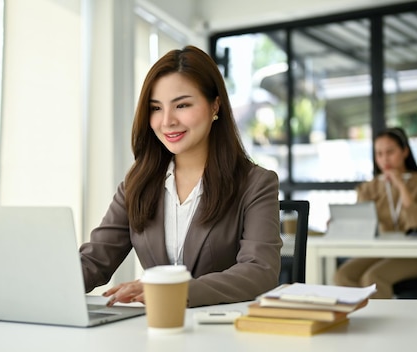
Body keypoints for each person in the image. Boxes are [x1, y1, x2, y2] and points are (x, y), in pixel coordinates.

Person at [79, 45, 282, 308]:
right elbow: (95, 261)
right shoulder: (137, 184)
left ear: (215, 105)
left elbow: (259, 272)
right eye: (155, 108)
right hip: (156, 330)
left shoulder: (255, 184)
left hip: (224, 333)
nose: (167, 121)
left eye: (182, 105)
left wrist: (170, 290)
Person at [333, 127, 417, 299]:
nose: (384, 159)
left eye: (390, 152)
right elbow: (363, 226)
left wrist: (400, 185)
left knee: (373, 278)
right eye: (379, 154)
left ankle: (380, 324)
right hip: (380, 251)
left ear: (405, 151)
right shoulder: (369, 188)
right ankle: (359, 320)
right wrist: (341, 224)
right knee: (343, 275)